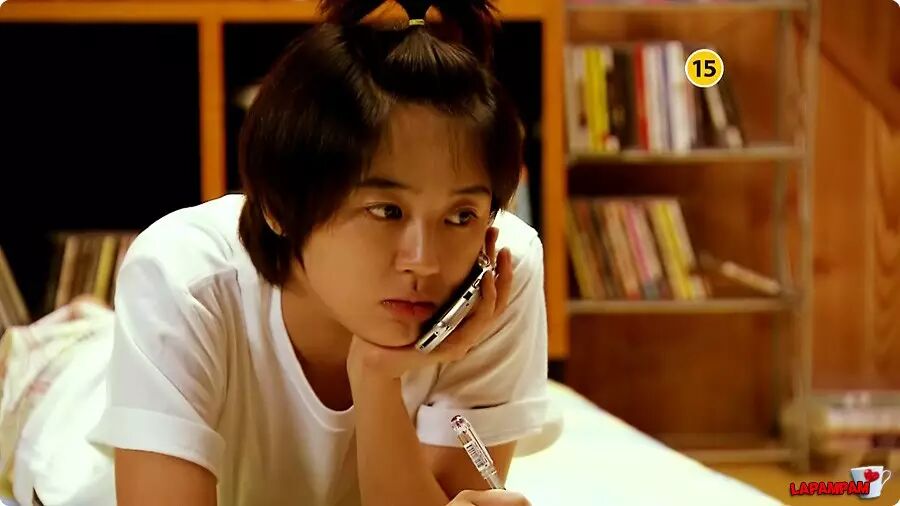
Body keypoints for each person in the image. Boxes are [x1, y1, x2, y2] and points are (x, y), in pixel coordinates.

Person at [86, 0, 549, 504]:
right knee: (63, 348)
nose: (424, 260)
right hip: (71, 400)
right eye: (386, 211)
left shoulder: (500, 272)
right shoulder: (182, 275)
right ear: (277, 206)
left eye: (461, 216)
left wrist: (375, 377)